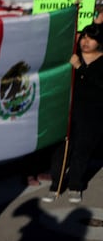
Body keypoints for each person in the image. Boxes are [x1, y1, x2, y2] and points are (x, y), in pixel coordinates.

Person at [42, 20, 103, 204]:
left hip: (92, 114)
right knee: (62, 150)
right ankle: (56, 185)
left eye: (91, 38)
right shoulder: (72, 56)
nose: (86, 41)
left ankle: (76, 185)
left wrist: (81, 68)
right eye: (84, 37)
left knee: (82, 150)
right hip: (67, 111)